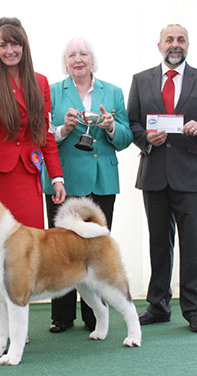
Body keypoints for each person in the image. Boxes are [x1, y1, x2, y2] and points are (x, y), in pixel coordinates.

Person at [0, 17, 66, 344]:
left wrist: (56, 176)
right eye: (3, 45)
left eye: (15, 44)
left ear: (24, 46)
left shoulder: (40, 82)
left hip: (27, 176)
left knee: (25, 254)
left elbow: (45, 135)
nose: (10, 50)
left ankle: (17, 328)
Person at [42, 36, 133, 333]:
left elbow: (126, 138)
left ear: (93, 60)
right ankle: (62, 317)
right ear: (65, 62)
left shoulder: (114, 92)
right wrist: (64, 129)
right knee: (60, 248)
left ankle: (96, 317)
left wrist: (110, 127)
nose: (78, 59)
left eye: (83, 54)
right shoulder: (52, 92)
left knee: (94, 248)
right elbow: (43, 135)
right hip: (64, 180)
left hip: (102, 180)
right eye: (72, 55)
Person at [127, 24, 197, 332]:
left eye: (181, 39)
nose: (175, 44)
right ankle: (158, 305)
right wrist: (145, 139)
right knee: (159, 243)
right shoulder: (141, 81)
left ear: (188, 45)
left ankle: (193, 309)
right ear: (159, 45)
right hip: (154, 174)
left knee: (193, 245)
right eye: (170, 39)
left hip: (191, 176)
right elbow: (131, 122)